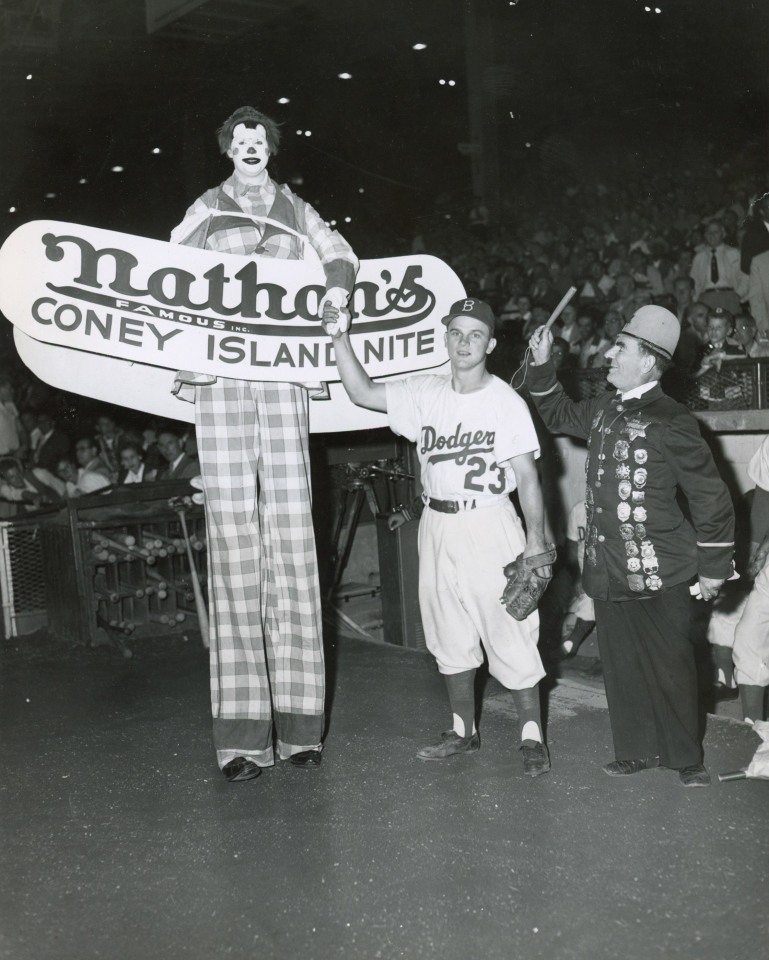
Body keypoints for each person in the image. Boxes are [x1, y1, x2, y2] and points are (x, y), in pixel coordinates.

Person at [169, 106, 358, 783]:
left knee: (293, 547)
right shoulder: (204, 207)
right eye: (239, 141)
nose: (249, 149)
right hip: (220, 383)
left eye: (259, 141)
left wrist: (333, 298)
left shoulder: (294, 206)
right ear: (227, 148)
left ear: (270, 147)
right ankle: (243, 742)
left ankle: (302, 731)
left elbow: (340, 253)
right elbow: (167, 266)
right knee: (233, 549)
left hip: (281, 384)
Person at [324, 296, 553, 778]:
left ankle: (532, 735)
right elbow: (363, 392)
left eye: (475, 334)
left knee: (508, 624)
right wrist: (339, 338)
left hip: (489, 519)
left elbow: (528, 478)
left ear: (490, 344)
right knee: (446, 626)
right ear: (444, 338)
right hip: (437, 521)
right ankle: (462, 730)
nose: (464, 342)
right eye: (456, 332)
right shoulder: (425, 391)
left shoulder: (505, 401)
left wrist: (536, 541)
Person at [527, 305, 735, 787]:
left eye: (621, 348)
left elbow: (710, 495)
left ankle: (686, 758)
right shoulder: (604, 406)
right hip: (609, 567)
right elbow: (558, 412)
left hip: (661, 567)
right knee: (621, 664)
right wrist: (541, 364)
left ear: (648, 361)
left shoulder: (673, 419)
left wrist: (713, 567)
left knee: (672, 663)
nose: (609, 354)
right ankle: (637, 750)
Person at [689, 220, 747, 317]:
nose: (712, 235)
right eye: (708, 232)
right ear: (705, 235)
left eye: (716, 232)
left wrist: (738, 294)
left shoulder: (734, 253)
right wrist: (696, 300)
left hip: (729, 296)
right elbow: (695, 281)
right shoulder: (699, 257)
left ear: (723, 234)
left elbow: (744, 276)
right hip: (706, 298)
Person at [0, 458, 64, 512]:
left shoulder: (39, 474)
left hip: (61, 509)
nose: (18, 478)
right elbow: (14, 495)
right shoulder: (6, 490)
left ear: (21, 470)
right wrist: (28, 495)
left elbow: (63, 488)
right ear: (6, 481)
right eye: (12, 477)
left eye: (18, 473)